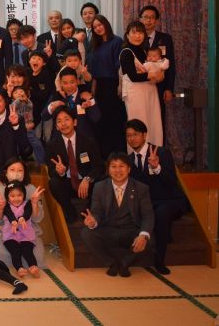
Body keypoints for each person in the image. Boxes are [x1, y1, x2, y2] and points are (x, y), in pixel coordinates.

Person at [125, 119, 189, 275]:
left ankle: (159, 261)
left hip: (171, 200)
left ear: (144, 135)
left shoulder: (161, 152)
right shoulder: (129, 160)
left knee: (161, 213)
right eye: (129, 135)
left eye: (135, 134)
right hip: (148, 203)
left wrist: (157, 167)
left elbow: (171, 181)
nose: (132, 138)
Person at [81, 153, 154, 277]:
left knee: (149, 238)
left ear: (129, 169)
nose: (118, 170)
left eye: (122, 166)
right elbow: (97, 212)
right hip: (108, 229)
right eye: (113, 166)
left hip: (131, 230)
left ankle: (125, 263)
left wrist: (143, 235)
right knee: (86, 233)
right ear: (108, 170)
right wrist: (93, 222)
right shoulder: (99, 187)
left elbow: (148, 216)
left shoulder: (141, 188)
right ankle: (111, 263)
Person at [46, 106, 104, 223]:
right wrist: (59, 172)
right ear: (56, 126)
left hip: (86, 184)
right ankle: (70, 212)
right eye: (59, 121)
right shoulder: (52, 145)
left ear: (75, 122)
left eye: (67, 119)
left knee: (102, 182)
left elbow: (100, 167)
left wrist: (88, 178)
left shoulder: (88, 141)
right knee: (54, 183)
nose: (63, 124)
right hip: (67, 183)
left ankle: (88, 210)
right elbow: (51, 171)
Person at [0, 158, 47, 269]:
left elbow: (37, 219)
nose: (16, 173)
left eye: (20, 170)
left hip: (28, 230)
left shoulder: (31, 189)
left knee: (37, 259)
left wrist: (34, 203)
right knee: (4, 259)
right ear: (6, 172)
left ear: (25, 173)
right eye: (12, 169)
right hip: (5, 231)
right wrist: (0, 208)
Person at [120, 20, 164, 147]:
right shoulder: (126, 52)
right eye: (134, 33)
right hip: (135, 94)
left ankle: (153, 154)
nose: (137, 36)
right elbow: (133, 77)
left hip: (150, 92)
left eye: (140, 33)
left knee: (153, 124)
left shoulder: (145, 51)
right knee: (138, 125)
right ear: (127, 35)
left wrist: (159, 75)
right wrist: (152, 75)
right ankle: (137, 156)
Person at [87, 14, 126, 156]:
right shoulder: (94, 45)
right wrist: (93, 88)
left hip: (113, 84)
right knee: (100, 120)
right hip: (99, 86)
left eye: (100, 25)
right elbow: (93, 70)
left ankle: (118, 153)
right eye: (95, 27)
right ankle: (103, 154)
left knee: (114, 119)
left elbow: (120, 67)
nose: (98, 28)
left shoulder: (117, 41)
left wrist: (120, 86)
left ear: (106, 24)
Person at [139, 5, 176, 130]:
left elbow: (171, 65)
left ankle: (159, 143)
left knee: (158, 120)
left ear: (156, 21)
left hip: (160, 86)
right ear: (140, 19)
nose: (148, 20)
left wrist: (169, 88)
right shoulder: (135, 38)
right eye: (145, 17)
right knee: (141, 119)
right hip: (141, 85)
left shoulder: (165, 38)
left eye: (152, 17)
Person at [0, 181, 44, 278]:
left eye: (19, 195)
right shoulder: (6, 205)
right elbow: (9, 213)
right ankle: (19, 268)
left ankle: (33, 267)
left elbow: (27, 212)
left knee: (27, 250)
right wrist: (13, 221)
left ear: (24, 195)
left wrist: (22, 218)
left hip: (26, 235)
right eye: (12, 196)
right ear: (7, 197)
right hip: (10, 235)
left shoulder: (28, 204)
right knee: (15, 251)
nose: (16, 198)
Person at [44, 67, 100, 139]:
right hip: (61, 140)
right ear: (60, 83)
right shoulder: (56, 96)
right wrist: (51, 107)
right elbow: (44, 116)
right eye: (65, 83)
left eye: (72, 82)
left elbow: (96, 118)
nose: (69, 86)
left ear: (77, 81)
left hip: (84, 139)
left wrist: (91, 100)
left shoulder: (85, 95)